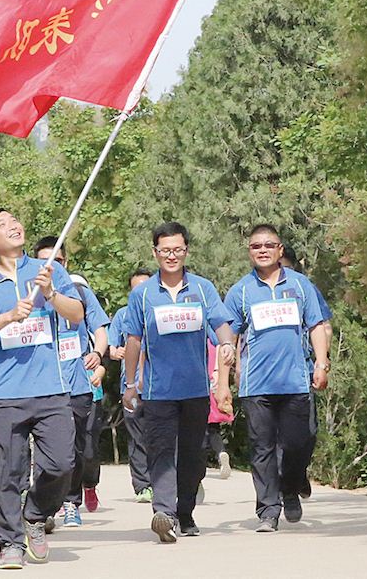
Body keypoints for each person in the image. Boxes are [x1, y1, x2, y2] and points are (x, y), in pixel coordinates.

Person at [0, 209, 84, 569]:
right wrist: (7, 318)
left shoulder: (48, 270)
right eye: (3, 225)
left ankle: (34, 514)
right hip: (5, 392)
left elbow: (76, 313)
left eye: (14, 220)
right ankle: (9, 542)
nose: (14, 226)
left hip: (51, 387)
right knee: (10, 470)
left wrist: (50, 293)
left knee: (62, 463)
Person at [123, 222, 236, 543]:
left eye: (177, 250)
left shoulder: (202, 288)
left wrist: (226, 343)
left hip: (195, 389)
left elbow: (221, 323)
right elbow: (133, 340)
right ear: (155, 253)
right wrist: (130, 384)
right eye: (165, 251)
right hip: (157, 391)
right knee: (160, 452)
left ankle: (185, 512)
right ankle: (164, 514)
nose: (171, 256)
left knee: (193, 456)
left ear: (186, 251)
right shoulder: (143, 294)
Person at [224, 224, 329, 533]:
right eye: (256, 246)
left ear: (280, 250)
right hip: (256, 384)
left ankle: (291, 486)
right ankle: (268, 511)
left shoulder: (300, 285)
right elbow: (228, 334)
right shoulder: (241, 290)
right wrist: (224, 374)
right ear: (249, 251)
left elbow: (316, 325)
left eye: (269, 245)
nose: (263, 250)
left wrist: (321, 363)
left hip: (295, 380)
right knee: (262, 448)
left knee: (299, 443)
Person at [32, 237, 109, 528]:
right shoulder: (28, 295)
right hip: (43, 385)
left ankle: (71, 502)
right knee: (45, 451)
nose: (51, 267)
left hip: (77, 384)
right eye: (44, 262)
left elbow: (100, 330)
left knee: (77, 450)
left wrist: (97, 354)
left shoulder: (79, 293)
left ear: (66, 263)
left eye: (58, 261)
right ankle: (43, 508)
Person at [280, 244, 334, 499]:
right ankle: (280, 492)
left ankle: (297, 472)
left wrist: (321, 361)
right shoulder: (253, 289)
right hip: (267, 373)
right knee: (273, 436)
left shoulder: (305, 288)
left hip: (301, 368)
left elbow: (325, 326)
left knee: (308, 432)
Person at [108, 268, 153, 503]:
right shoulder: (122, 315)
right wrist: (116, 351)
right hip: (131, 387)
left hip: (160, 387)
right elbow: (110, 347)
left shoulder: (161, 310)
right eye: (136, 289)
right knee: (137, 436)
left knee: (165, 436)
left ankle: (174, 480)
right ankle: (143, 485)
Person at [204, 338, 234, 478]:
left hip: (205, 371)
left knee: (199, 426)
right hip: (215, 372)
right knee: (213, 426)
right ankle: (221, 452)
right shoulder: (215, 335)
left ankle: (198, 464)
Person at [81, 363, 107, 512]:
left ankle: (90, 485)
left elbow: (104, 361)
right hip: (61, 395)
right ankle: (67, 498)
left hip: (91, 394)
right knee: (65, 449)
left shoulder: (94, 345)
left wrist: (100, 372)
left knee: (89, 450)